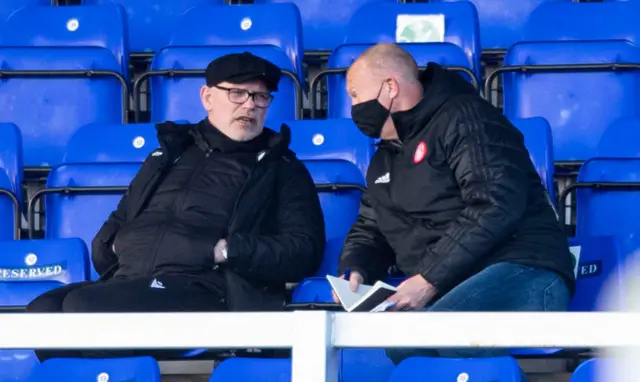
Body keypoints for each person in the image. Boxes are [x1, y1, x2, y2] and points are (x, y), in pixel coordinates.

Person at [27, 52, 326, 360]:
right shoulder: (170, 153)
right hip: (132, 282)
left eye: (261, 97)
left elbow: (303, 250)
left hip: (208, 290)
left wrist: (228, 251)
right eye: (237, 93)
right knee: (42, 311)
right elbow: (116, 224)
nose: (250, 104)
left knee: (85, 308)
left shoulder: (282, 168)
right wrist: (115, 246)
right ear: (207, 97)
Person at [335, 43, 576, 366]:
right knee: (403, 348)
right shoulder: (384, 158)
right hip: (452, 285)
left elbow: (494, 203)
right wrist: (356, 270)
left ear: (390, 87)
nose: (352, 106)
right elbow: (372, 227)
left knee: (436, 335)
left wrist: (428, 279)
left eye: (354, 94)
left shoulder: (466, 118)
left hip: (524, 270)